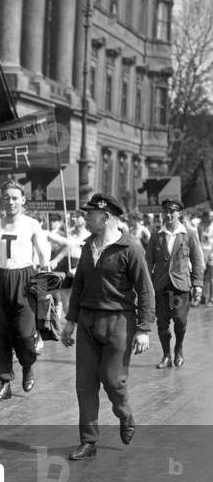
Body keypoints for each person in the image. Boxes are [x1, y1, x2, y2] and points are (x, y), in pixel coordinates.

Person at [61, 194, 154, 460]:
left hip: (119, 322)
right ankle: (88, 442)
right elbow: (78, 285)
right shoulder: (88, 245)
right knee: (85, 385)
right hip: (88, 323)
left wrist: (144, 329)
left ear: (106, 217)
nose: (85, 218)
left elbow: (145, 291)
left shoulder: (130, 249)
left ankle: (125, 414)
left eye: (90, 214)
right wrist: (70, 321)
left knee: (114, 380)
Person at [0, 180, 51, 401]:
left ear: (23, 200)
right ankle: (4, 382)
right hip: (0, 279)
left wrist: (45, 287)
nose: (10, 201)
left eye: (15, 197)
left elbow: (44, 256)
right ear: (1, 200)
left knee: (25, 333)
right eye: (6, 197)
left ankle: (27, 365)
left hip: (25, 280)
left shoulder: (32, 224)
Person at [146, 198, 204, 370]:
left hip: (180, 286)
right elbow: (148, 262)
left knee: (179, 319)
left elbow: (197, 260)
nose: (169, 215)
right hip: (161, 286)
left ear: (179, 213)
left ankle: (178, 350)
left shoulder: (189, 234)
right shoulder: (156, 235)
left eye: (172, 211)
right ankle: (166, 355)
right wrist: (146, 284)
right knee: (162, 322)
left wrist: (198, 283)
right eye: (166, 212)